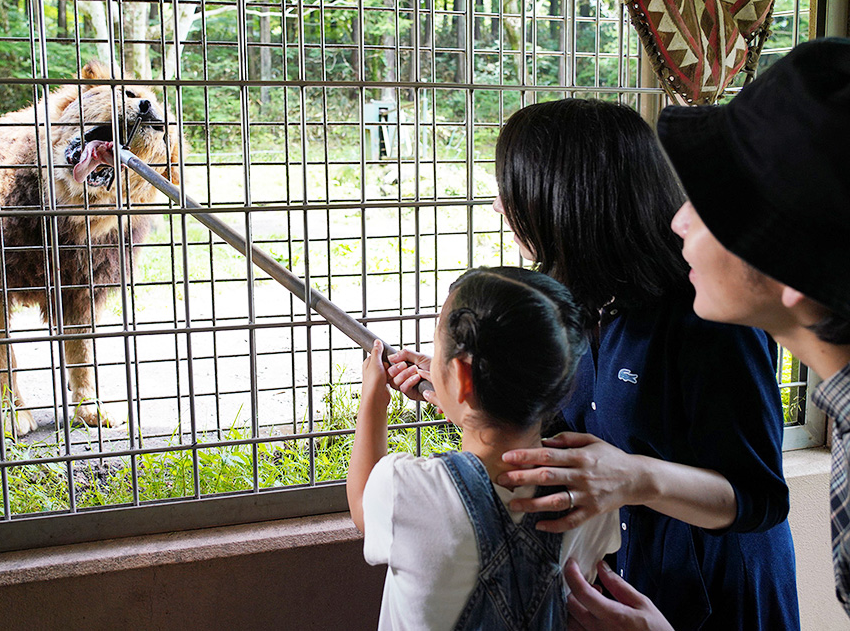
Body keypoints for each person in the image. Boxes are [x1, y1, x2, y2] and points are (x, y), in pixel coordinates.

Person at [388, 99, 800, 630]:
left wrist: (636, 477)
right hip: (618, 586)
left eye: (511, 189)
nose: (499, 205)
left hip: (716, 596)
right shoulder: (569, 301)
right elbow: (554, 435)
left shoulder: (709, 312)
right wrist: (462, 393)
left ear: (566, 199)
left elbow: (760, 498)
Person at [563, 36, 850, 629]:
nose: (677, 217)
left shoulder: (703, 323)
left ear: (791, 259)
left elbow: (758, 496)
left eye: (714, 202)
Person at [347, 267, 621, 630]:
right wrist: (466, 402)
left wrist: (372, 401)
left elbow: (363, 505)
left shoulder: (408, 488)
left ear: (461, 376)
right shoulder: (590, 488)